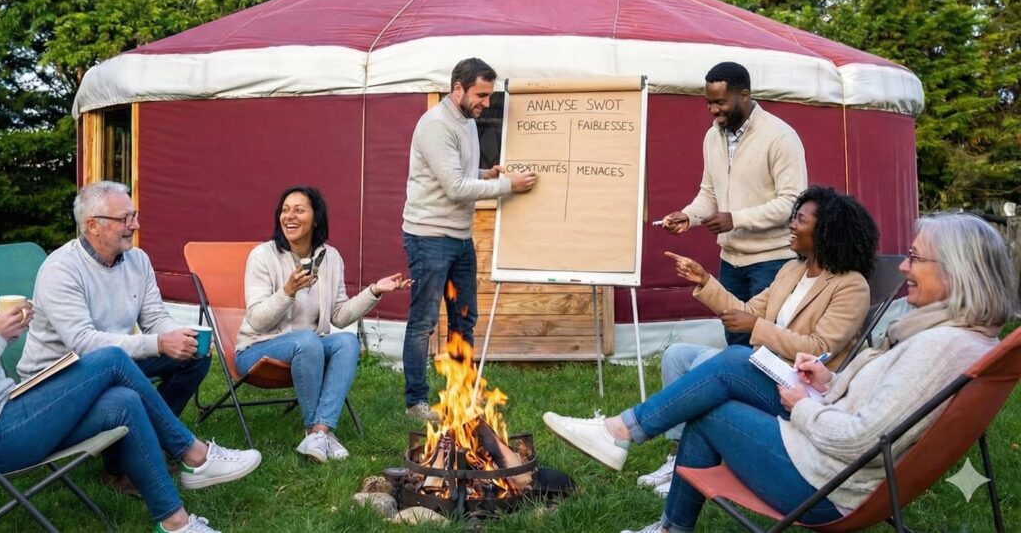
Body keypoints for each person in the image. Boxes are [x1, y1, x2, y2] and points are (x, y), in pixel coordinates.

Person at [543, 213, 1018, 533]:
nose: (905, 267)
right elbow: (886, 405)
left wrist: (805, 406)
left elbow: (862, 440)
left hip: (830, 482)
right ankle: (624, 437)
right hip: (829, 443)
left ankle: (633, 454)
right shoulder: (954, 336)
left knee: (714, 405)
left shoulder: (938, 346)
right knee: (731, 364)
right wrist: (828, 384)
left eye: (915, 258)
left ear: (957, 271)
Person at [0, 198, 265, 533]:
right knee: (111, 361)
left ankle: (175, 523)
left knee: (122, 399)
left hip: (3, 411)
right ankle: (195, 455)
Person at [638, 185, 878, 497]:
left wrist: (758, 328)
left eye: (800, 220)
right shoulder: (792, 270)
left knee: (707, 363)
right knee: (677, 355)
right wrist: (705, 281)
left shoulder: (851, 286)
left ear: (826, 231)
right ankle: (676, 455)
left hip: (799, 384)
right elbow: (749, 312)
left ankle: (679, 454)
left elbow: (820, 348)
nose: (791, 225)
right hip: (765, 364)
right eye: (793, 217)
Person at [19, 181, 227, 493]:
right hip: (57, 378)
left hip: (113, 362)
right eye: (125, 219)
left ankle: (151, 442)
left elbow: (154, 315)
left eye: (135, 215)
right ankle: (120, 466)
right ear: (93, 225)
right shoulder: (61, 269)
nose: (136, 225)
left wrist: (180, 336)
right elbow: (84, 343)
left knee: (193, 358)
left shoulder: (138, 260)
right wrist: (158, 344)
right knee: (117, 374)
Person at [401, 57, 538, 421]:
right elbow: (455, 187)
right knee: (424, 320)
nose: (486, 103)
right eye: (481, 94)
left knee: (464, 318)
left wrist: (486, 172)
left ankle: (460, 393)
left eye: (489, 95)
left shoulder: (465, 121)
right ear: (457, 89)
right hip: (429, 236)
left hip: (459, 236)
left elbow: (460, 172)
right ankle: (416, 402)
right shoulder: (435, 125)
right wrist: (507, 185)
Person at [238, 186, 412, 462]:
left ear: (316, 218)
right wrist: (288, 291)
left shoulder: (330, 258)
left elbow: (339, 316)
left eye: (298, 210)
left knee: (346, 341)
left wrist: (375, 290)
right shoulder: (263, 256)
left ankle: (321, 431)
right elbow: (257, 321)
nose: (289, 216)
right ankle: (312, 432)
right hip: (257, 350)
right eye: (285, 210)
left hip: (308, 349)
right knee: (307, 340)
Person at [659, 61, 807, 347]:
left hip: (773, 261)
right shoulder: (712, 137)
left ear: (744, 95)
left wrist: (736, 219)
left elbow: (793, 203)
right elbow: (709, 193)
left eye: (720, 102)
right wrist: (689, 216)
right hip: (731, 261)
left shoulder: (780, 137)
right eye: (709, 103)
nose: (713, 110)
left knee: (766, 343)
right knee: (736, 341)